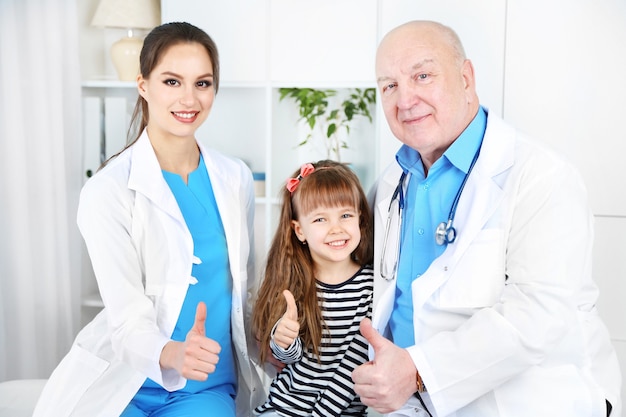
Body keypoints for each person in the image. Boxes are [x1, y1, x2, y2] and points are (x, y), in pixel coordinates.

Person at [351, 20, 622, 417]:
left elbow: (536, 318)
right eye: (389, 85)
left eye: (422, 76)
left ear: (466, 78)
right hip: (411, 405)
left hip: (527, 403)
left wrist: (418, 371)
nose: (405, 99)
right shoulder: (393, 180)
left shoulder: (541, 176)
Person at [33, 22, 265, 416]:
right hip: (127, 381)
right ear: (143, 85)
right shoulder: (107, 191)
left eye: (203, 83)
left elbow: (246, 288)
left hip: (203, 386)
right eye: (172, 82)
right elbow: (126, 318)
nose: (189, 98)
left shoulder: (235, 178)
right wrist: (171, 352)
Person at [252, 160, 374, 417]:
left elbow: (354, 368)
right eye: (320, 219)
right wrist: (283, 340)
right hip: (285, 408)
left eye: (345, 215)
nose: (336, 228)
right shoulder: (294, 281)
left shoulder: (371, 287)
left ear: (359, 218)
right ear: (300, 230)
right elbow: (289, 358)